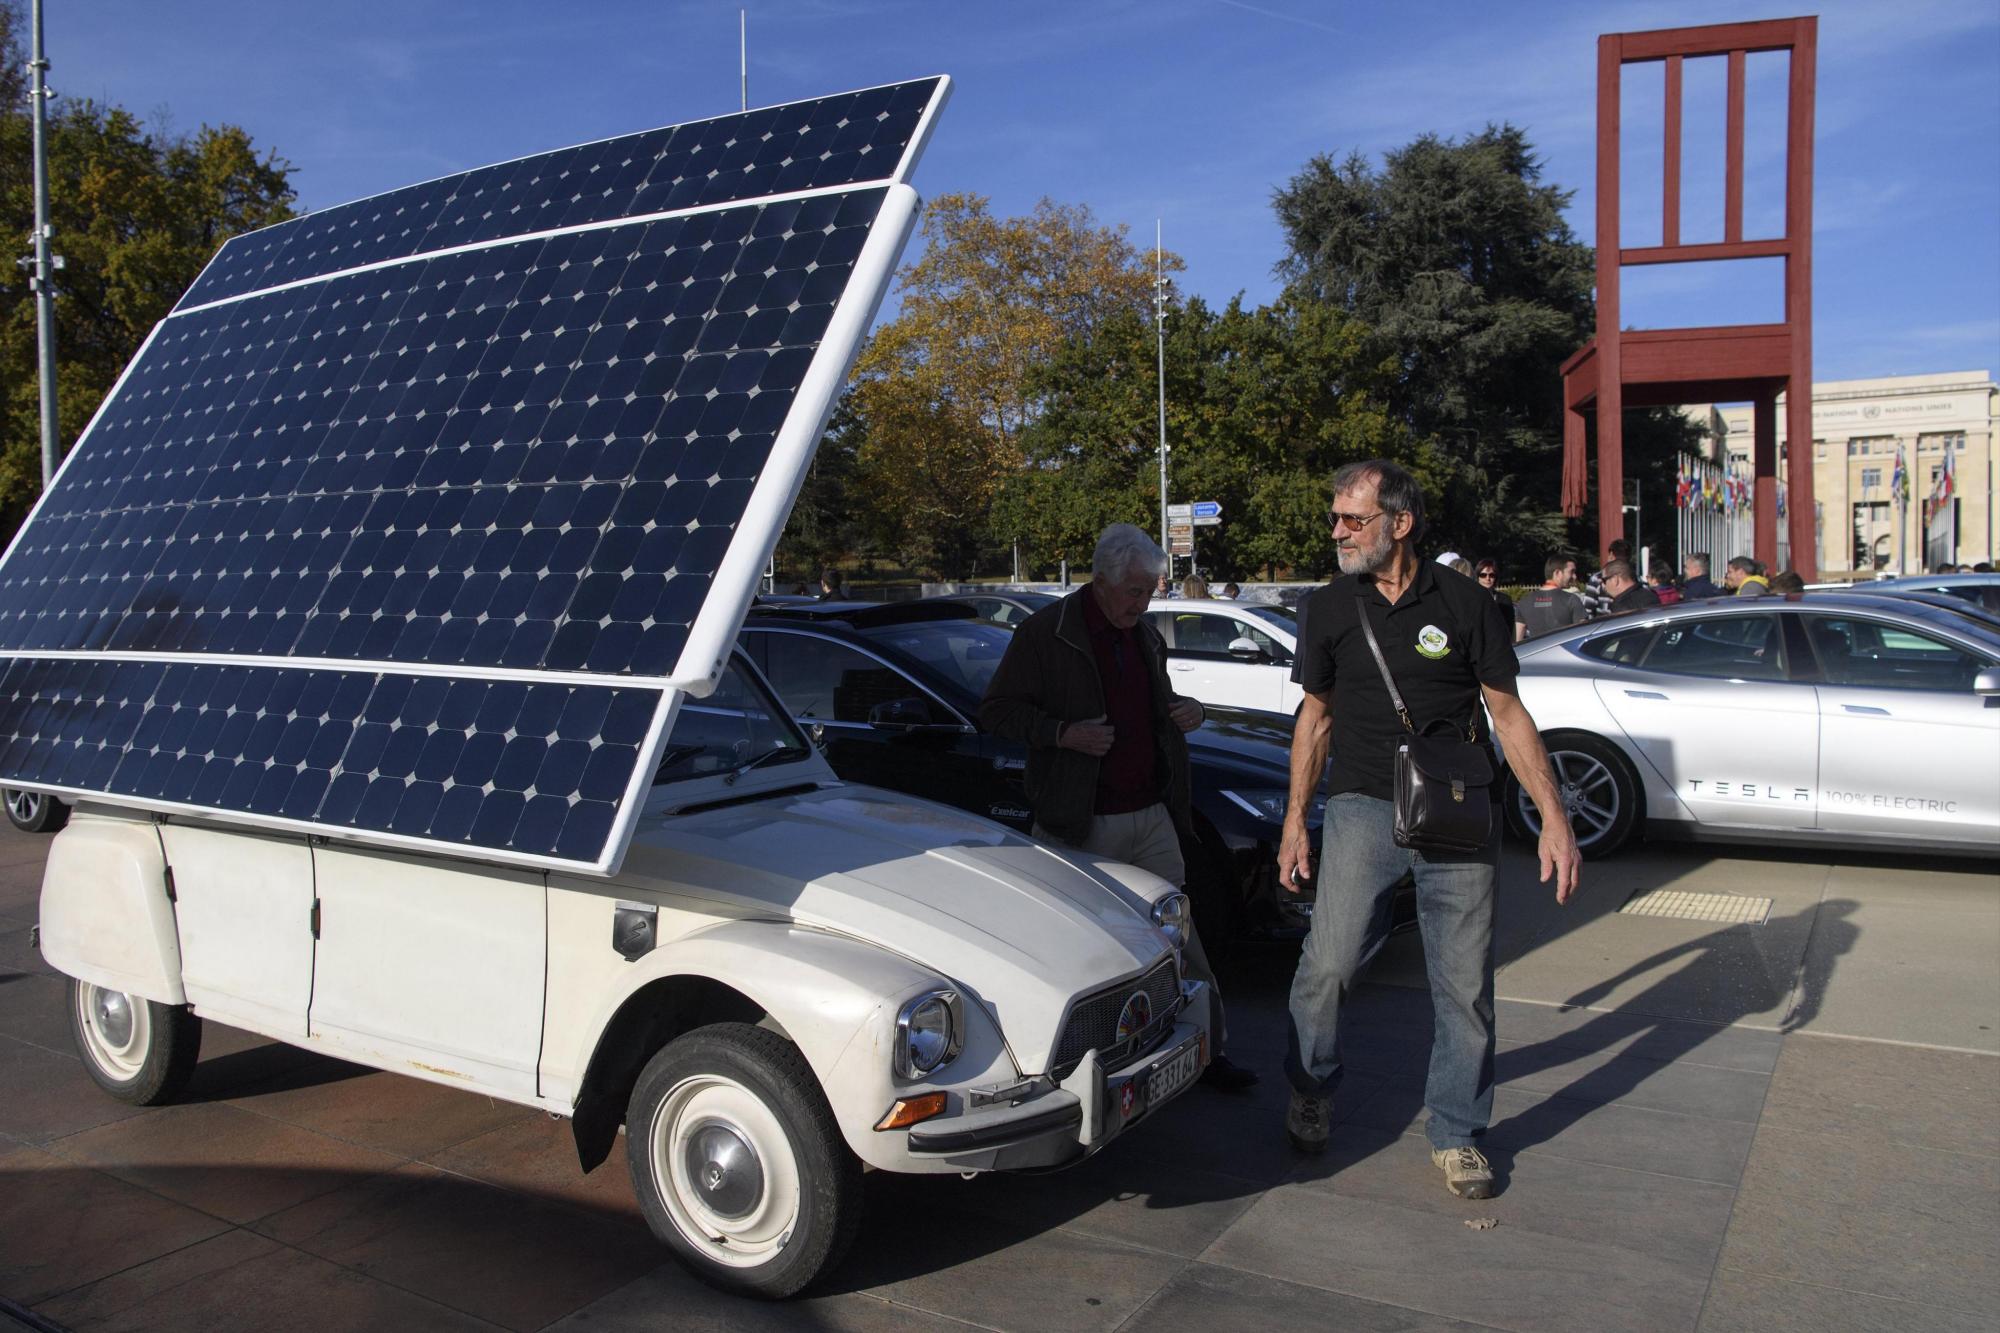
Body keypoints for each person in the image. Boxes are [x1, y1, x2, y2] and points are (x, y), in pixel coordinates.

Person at [1277, 460, 1580, 1199]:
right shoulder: (1327, 609)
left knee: (1464, 984)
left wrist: (1553, 819)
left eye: (1355, 519)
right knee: (1331, 963)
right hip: (1361, 806)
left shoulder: (1470, 603)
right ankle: (1311, 1083)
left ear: (1400, 523)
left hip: (1457, 808)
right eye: (1336, 517)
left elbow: (1508, 716)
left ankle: (1456, 1132)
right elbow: (1314, 720)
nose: (1339, 532)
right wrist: (1295, 822)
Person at [980, 523, 1258, 1092]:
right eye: (1135, 591)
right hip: (1080, 821)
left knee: (1180, 937)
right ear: (1102, 580)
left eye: (1150, 590)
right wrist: (1062, 733)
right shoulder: (1045, 634)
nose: (1145, 602)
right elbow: (997, 713)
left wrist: (1191, 712)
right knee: (1086, 950)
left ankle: (1205, 1049)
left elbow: (1159, 708)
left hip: (1152, 814)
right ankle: (1083, 1068)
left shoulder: (1144, 636)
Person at [1515, 555, 1584, 642]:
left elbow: (1518, 642)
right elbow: (1582, 635)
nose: (1574, 576)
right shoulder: (1572, 600)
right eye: (1571, 572)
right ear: (1557, 573)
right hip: (1564, 654)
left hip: (1534, 654)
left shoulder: (1524, 602)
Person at [1580, 539, 1630, 619]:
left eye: (1623, 560)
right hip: (1603, 627)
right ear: (1610, 555)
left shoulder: (1632, 579)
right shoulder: (1597, 579)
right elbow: (1587, 611)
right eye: (1618, 558)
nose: (1619, 564)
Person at [1472, 559, 1517, 640]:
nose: (1488, 578)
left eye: (1491, 575)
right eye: (1483, 575)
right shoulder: (1471, 599)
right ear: (1477, 577)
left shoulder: (1505, 600)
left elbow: (1510, 627)